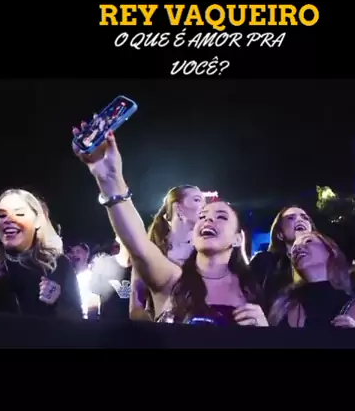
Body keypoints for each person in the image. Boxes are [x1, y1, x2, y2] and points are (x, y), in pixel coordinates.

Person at [72, 129, 267, 326]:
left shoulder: (253, 288)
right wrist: (110, 181)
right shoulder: (173, 280)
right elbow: (138, 245)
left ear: (238, 238)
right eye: (203, 216)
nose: (208, 220)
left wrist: (264, 330)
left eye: (221, 217)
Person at [0, 189, 82, 319]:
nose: (8, 220)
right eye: (2, 215)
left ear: (37, 221)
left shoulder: (58, 265)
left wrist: (59, 303)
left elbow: (77, 320)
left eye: (19, 214)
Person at [269, 231, 355, 328]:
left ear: (331, 251)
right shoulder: (283, 305)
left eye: (308, 241)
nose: (297, 248)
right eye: (294, 248)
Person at [131, 184, 204, 320]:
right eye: (197, 200)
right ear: (178, 207)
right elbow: (136, 305)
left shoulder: (204, 249)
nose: (204, 207)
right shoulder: (151, 249)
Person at [250, 205, 316, 311]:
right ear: (280, 234)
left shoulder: (326, 262)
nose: (300, 220)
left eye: (305, 218)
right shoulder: (264, 261)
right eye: (291, 218)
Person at [89, 235, 133, 321]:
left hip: (134, 325)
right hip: (107, 323)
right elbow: (94, 298)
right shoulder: (103, 263)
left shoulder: (142, 268)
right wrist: (91, 324)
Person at [66, 243, 99, 319]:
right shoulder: (69, 277)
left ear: (87, 254)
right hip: (74, 318)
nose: (74, 255)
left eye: (78, 251)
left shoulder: (95, 275)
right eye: (72, 252)